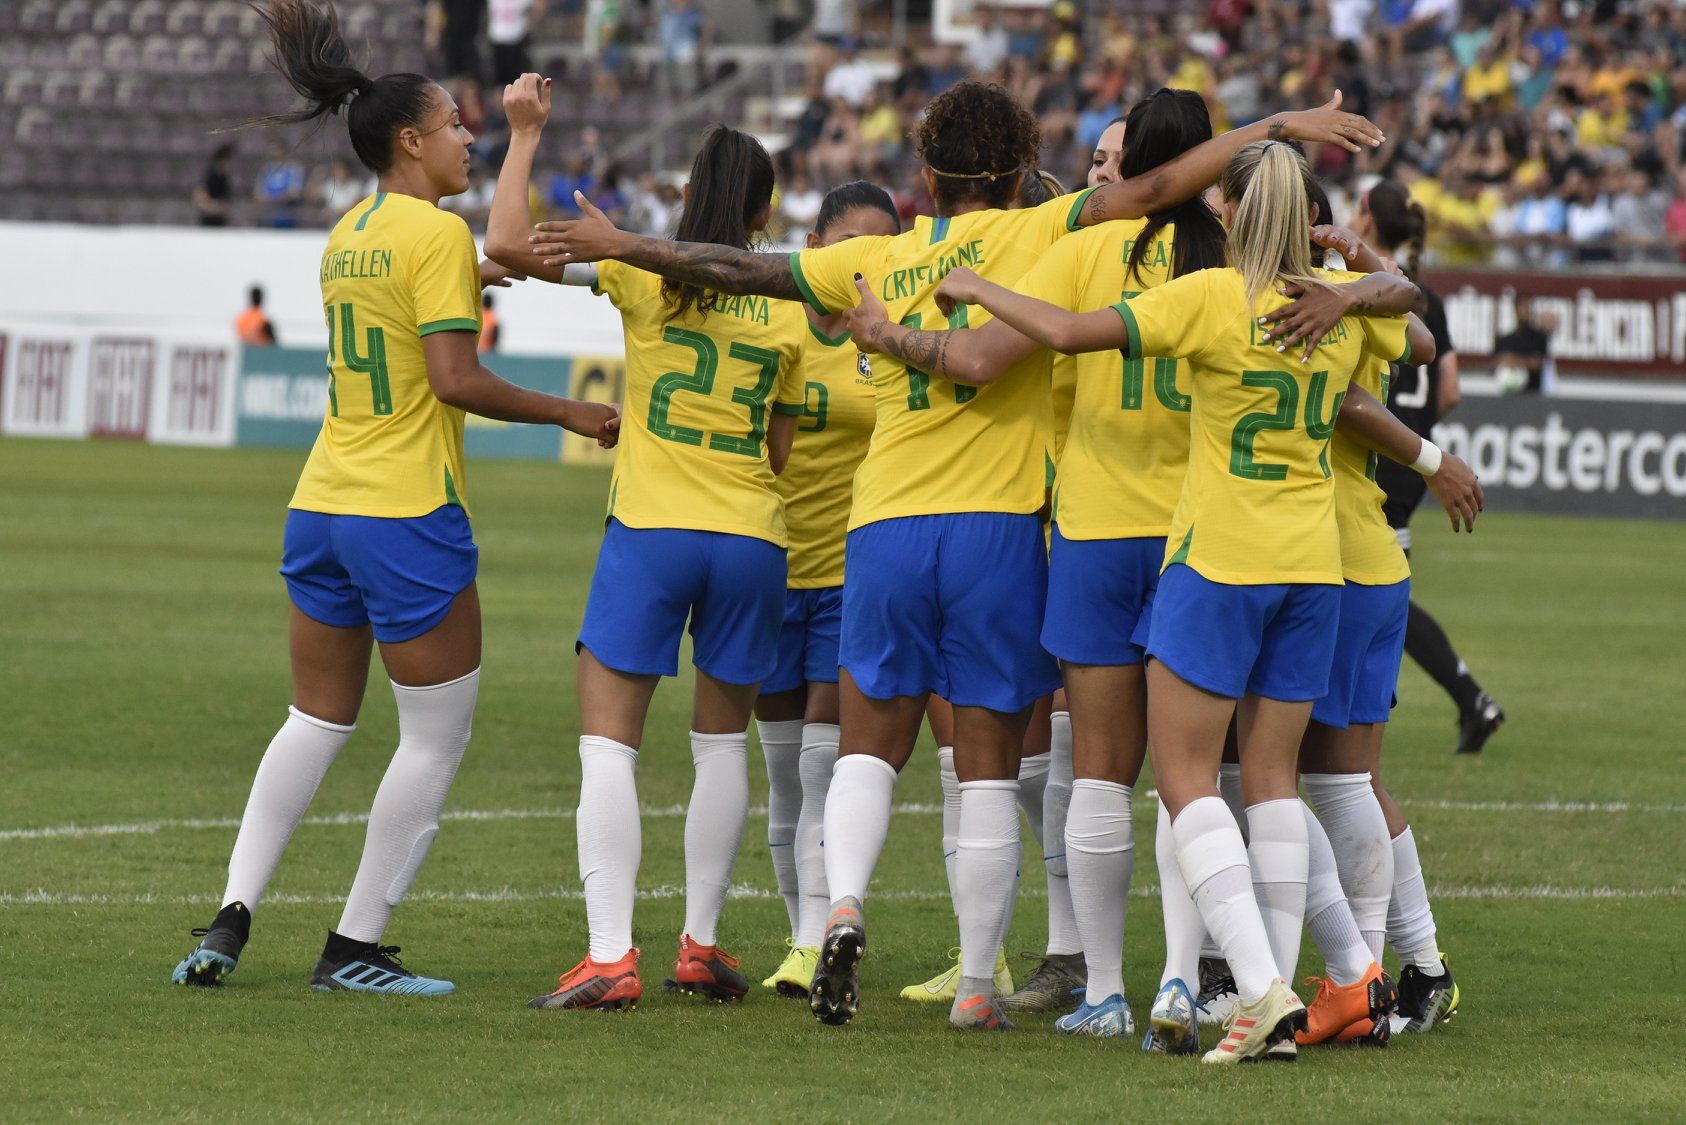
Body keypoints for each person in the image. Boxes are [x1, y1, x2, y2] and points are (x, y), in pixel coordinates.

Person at [528, 83, 1385, 1032]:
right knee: (1022, 765)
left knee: (879, 747)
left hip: (895, 522)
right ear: (1020, 173)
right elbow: (1154, 191)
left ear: (927, 178)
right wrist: (1274, 128)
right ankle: (993, 983)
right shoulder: (1044, 237)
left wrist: (627, 247)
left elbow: (740, 269)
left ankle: (851, 908)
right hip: (1032, 530)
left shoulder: (878, 254)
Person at [913, 140, 1481, 1060]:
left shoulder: (1212, 297)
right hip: (1315, 566)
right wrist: (1349, 283)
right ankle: (1291, 1000)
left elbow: (1061, 333)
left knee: (1183, 779)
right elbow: (1415, 312)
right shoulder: (1333, 309)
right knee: (1272, 781)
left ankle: (1261, 989)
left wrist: (980, 289)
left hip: (1218, 559)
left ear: (1227, 213)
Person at [169, 0, 618, 997]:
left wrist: (504, 259)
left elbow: (469, 266)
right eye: (457, 126)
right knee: (436, 735)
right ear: (411, 140)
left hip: (322, 501)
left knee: (317, 720)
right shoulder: (434, 236)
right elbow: (456, 378)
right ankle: (354, 948)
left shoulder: (347, 234)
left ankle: (230, 920)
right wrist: (572, 415)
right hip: (405, 511)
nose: (467, 136)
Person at [843, 88, 1226, 1040]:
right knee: (1197, 774)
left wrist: (905, 326)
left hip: (1085, 530)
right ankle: (1190, 976)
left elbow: (999, 348)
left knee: (1091, 772)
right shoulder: (1233, 263)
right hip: (1200, 534)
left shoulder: (1074, 251)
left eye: (1110, 163)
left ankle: (1096, 984)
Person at [485, 75, 810, 1012]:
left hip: (654, 528)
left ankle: (609, 955)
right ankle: (701, 946)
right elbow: (780, 449)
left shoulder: (640, 273)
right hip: (753, 535)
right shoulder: (785, 305)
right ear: (764, 210)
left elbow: (505, 243)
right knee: (720, 749)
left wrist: (524, 134)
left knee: (608, 748)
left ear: (682, 199)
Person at [753, 181, 902, 999]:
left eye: (879, 251)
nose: (862, 269)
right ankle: (799, 934)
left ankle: (817, 938)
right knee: (783, 775)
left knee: (821, 764)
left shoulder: (891, 335)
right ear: (814, 245)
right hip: (773, 567)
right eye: (849, 248)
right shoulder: (775, 322)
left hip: (853, 572)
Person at [1357, 179, 1506, 757]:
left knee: (1383, 596)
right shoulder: (1430, 301)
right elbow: (1449, 390)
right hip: (1414, 464)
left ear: (1366, 219)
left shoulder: (1362, 288)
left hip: (1377, 452)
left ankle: (1466, 698)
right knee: (1387, 590)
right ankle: (1468, 700)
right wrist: (1421, 436)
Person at [195, 142, 236, 227]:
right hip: (208, 216)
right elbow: (200, 193)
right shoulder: (210, 174)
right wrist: (212, 207)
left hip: (220, 217)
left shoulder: (224, 176)